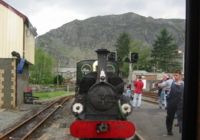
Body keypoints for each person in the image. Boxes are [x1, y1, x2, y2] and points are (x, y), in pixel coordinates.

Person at [165, 70, 184, 136]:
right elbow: (163, 85)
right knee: (169, 118)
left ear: (180, 76)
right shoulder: (171, 83)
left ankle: (182, 132)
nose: (175, 76)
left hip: (180, 103)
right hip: (171, 103)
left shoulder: (184, 84)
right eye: (174, 75)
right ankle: (169, 131)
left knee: (181, 118)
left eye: (176, 75)